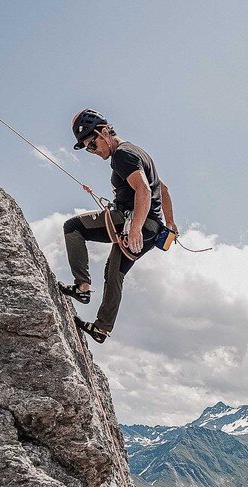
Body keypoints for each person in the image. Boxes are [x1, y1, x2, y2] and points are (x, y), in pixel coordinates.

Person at [60, 109, 176, 343]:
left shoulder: (122, 155)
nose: (93, 152)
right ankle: (101, 328)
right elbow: (161, 189)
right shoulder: (138, 152)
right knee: (114, 271)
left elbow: (143, 189)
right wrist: (171, 223)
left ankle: (81, 287)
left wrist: (134, 230)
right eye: (88, 149)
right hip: (152, 230)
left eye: (92, 145)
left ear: (104, 132)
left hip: (133, 222)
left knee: (73, 227)